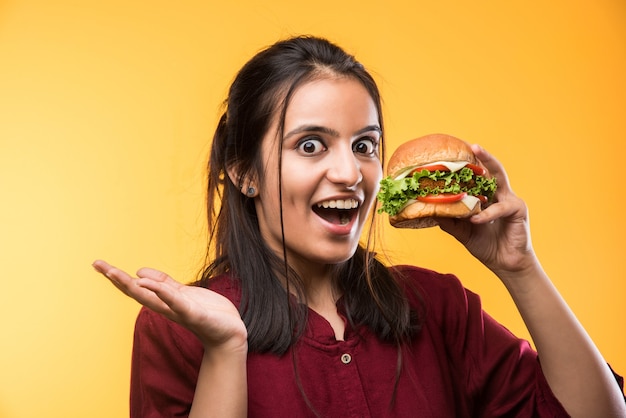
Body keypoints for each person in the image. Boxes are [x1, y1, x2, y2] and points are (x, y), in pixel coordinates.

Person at [93, 35, 626, 417]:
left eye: (365, 145)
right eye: (310, 145)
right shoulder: (180, 328)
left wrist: (520, 266)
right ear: (244, 171)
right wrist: (226, 350)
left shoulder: (438, 307)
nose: (350, 173)